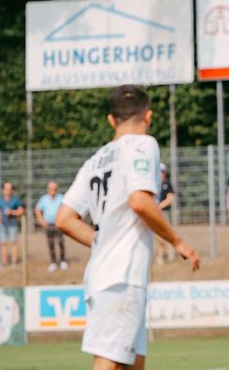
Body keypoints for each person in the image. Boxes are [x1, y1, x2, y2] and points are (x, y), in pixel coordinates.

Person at [55, 84, 200, 370]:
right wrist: (178, 242)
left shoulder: (95, 161)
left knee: (134, 363)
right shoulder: (143, 144)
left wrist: (101, 241)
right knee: (110, 363)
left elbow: (63, 219)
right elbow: (140, 201)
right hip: (122, 275)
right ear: (148, 116)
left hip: (103, 273)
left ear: (111, 120)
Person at [35, 181, 68, 273]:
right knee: (51, 244)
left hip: (59, 224)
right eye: (51, 189)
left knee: (61, 243)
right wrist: (41, 221)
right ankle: (53, 262)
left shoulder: (61, 198)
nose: (53, 191)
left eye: (55, 189)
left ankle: (62, 261)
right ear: (48, 189)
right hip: (48, 225)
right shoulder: (44, 199)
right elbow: (37, 210)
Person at [154, 163, 175, 265]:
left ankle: (169, 253)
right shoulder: (153, 184)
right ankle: (161, 254)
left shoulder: (167, 184)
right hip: (155, 212)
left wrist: (159, 206)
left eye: (161, 172)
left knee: (165, 233)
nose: (160, 174)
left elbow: (170, 199)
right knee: (157, 235)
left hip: (163, 212)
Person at [0, 182, 23, 267]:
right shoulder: (0, 200)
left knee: (13, 243)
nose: (8, 191)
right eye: (6, 189)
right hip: (2, 225)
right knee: (3, 243)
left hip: (12, 225)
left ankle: (14, 262)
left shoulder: (15, 200)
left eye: (10, 189)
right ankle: (4, 262)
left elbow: (21, 211)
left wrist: (12, 212)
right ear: (3, 190)